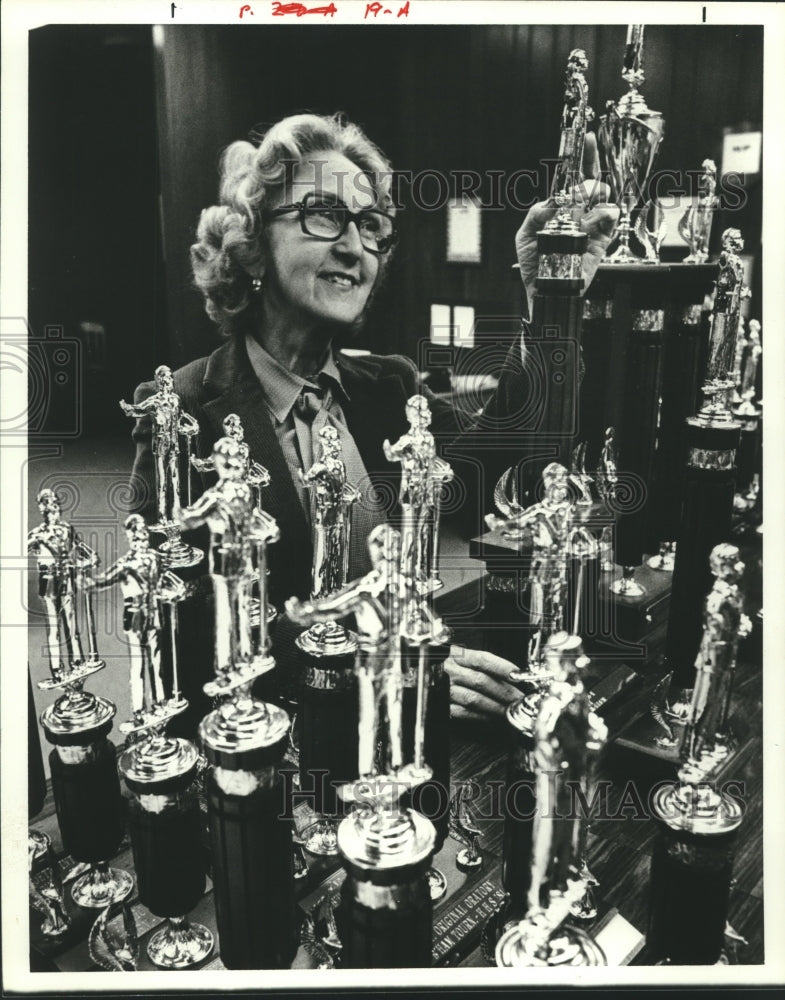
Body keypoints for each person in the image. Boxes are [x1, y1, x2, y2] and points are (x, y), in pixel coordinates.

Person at [125, 111, 617, 712]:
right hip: (273, 754)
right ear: (251, 248)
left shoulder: (389, 384)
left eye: (369, 224)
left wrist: (550, 307)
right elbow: (183, 618)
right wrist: (377, 659)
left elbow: (488, 477)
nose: (355, 246)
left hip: (403, 742)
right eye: (324, 214)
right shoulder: (184, 407)